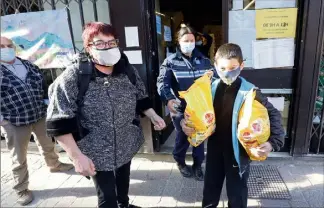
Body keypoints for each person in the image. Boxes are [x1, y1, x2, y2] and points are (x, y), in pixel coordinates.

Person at [46, 22, 166, 208]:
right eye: (100, 43)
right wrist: (77, 157)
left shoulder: (126, 70)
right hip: (95, 148)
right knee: (107, 197)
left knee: (123, 184)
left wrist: (152, 115)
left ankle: (124, 205)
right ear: (88, 48)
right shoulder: (74, 76)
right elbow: (58, 121)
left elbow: (141, 97)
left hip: (125, 141)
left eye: (111, 42)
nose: (107, 47)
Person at [181, 43, 285, 208]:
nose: (227, 72)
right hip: (214, 149)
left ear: (241, 66)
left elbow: (273, 114)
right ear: (215, 66)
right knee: (210, 191)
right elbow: (189, 112)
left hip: (238, 153)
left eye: (233, 67)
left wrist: (273, 142)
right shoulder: (208, 88)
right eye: (222, 68)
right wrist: (184, 123)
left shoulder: (251, 91)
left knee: (237, 194)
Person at [0, 36, 74, 206]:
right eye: (1, 46)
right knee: (18, 157)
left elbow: (43, 84)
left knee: (47, 143)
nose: (6, 48)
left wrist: (46, 101)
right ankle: (21, 189)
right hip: (14, 120)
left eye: (9, 45)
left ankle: (54, 164)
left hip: (39, 114)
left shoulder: (27, 65)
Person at [156, 25, 214, 181]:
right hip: (180, 108)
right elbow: (163, 82)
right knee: (183, 136)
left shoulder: (204, 60)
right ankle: (180, 161)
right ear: (179, 42)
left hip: (200, 109)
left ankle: (197, 165)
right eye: (186, 40)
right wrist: (168, 98)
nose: (189, 43)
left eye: (192, 40)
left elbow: (213, 81)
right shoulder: (171, 62)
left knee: (199, 137)